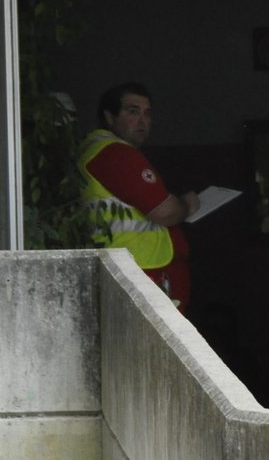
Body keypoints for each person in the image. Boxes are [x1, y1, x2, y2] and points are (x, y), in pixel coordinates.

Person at [76, 82, 199, 309]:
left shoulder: (99, 148)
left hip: (131, 272)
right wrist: (188, 204)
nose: (143, 121)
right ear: (109, 117)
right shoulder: (114, 153)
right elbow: (164, 212)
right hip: (139, 274)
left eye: (147, 113)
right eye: (133, 112)